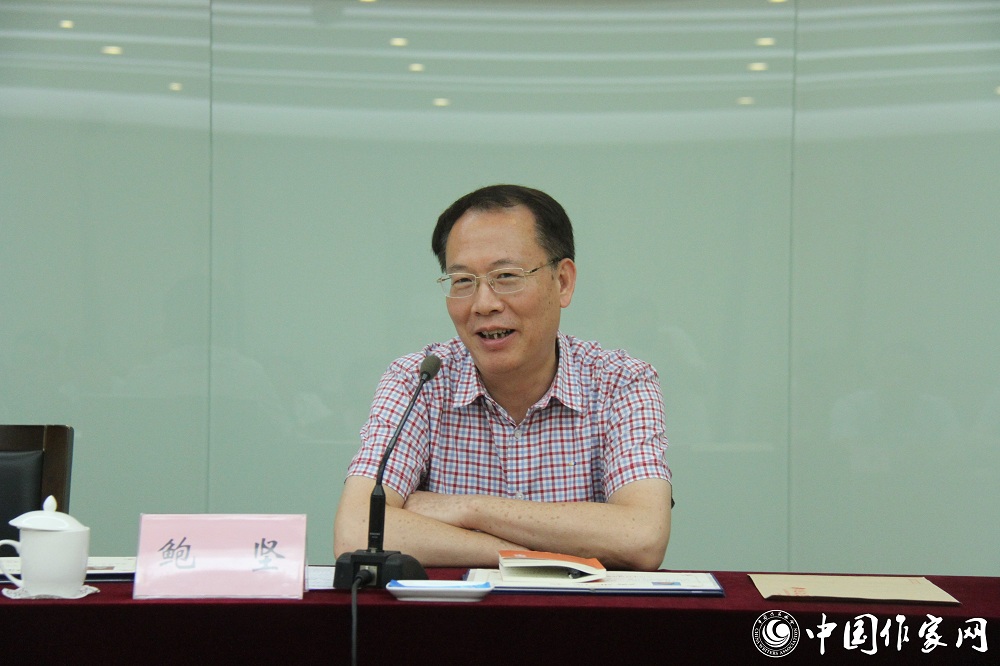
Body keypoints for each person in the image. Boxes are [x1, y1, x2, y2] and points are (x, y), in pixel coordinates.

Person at [333, 185, 672, 570]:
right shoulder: (419, 380)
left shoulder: (621, 382)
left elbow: (642, 537)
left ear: (562, 282)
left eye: (506, 276)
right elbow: (357, 530)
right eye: (463, 281)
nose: (484, 304)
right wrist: (533, 558)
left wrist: (469, 509)